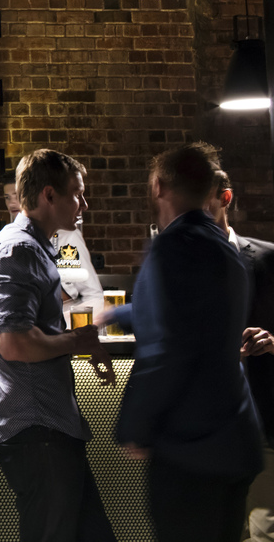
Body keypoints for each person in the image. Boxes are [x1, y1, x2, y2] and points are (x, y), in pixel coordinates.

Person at [109, 144, 262, 542]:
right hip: (235, 438)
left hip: (192, 450)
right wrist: (116, 314)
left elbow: (167, 351)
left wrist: (134, 427)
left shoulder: (172, 247)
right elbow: (199, 316)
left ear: (159, 186)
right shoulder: (224, 248)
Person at [0, 149, 117, 542]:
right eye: (77, 194)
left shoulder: (44, 246)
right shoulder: (19, 249)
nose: (84, 204)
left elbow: (53, 318)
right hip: (36, 426)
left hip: (50, 424)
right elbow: (15, 342)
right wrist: (78, 339)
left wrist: (80, 340)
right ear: (49, 196)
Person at [205, 167, 274, 541]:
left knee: (264, 533)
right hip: (209, 435)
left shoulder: (267, 259)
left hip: (264, 425)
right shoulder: (182, 268)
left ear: (224, 199)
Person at [5, 182, 104, 322]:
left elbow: (93, 295)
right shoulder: (4, 242)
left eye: (16, 196)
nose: (11, 203)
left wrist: (71, 327)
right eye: (7, 197)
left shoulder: (66, 238)